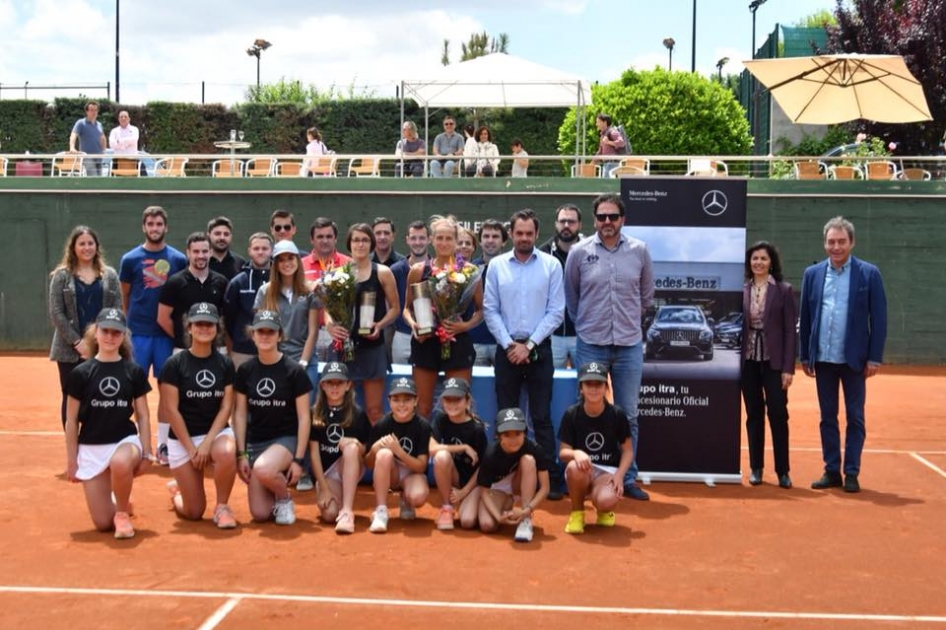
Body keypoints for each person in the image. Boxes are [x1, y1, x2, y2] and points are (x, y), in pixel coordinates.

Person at [564, 192, 654, 501]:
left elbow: (645, 296)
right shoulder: (579, 252)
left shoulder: (640, 251)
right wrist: (588, 324)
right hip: (591, 344)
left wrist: (627, 322)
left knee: (627, 414)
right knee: (588, 411)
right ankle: (587, 476)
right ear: (594, 220)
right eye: (601, 217)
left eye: (612, 217)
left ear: (622, 220)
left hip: (628, 345)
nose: (607, 222)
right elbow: (572, 298)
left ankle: (627, 478)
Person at [800, 216, 887, 493]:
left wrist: (874, 357)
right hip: (823, 359)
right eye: (831, 242)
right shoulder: (812, 275)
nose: (836, 247)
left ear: (852, 243)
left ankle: (851, 472)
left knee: (855, 417)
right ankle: (831, 471)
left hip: (854, 360)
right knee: (827, 417)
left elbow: (880, 318)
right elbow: (805, 315)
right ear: (824, 243)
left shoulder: (869, 274)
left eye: (841, 241)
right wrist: (805, 355)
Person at [484, 209, 566, 499]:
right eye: (519, 233)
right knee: (506, 416)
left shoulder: (551, 266)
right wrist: (509, 345)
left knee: (541, 417)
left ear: (536, 234)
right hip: (506, 350)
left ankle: (550, 480)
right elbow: (489, 310)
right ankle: (504, 477)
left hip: (539, 348)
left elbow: (556, 312)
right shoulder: (495, 266)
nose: (524, 238)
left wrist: (528, 345)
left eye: (529, 233)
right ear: (512, 233)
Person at [64, 308, 153, 539]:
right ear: (96, 333)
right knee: (103, 523)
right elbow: (71, 420)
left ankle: (121, 513)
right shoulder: (80, 373)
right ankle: (119, 502)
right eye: (106, 331)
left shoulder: (133, 371)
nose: (110, 337)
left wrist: (147, 452)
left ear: (124, 336)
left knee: (120, 462)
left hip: (125, 441)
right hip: (92, 447)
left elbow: (143, 415)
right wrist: (72, 460)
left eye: (116, 332)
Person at [159, 303, 238, 528]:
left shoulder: (225, 364)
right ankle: (178, 493)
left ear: (216, 328)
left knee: (227, 452)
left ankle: (222, 506)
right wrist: (192, 449)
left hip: (214, 434)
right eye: (199, 324)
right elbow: (171, 411)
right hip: (182, 440)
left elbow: (226, 408)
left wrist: (205, 445)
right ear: (189, 327)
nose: (204, 328)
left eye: (209, 324)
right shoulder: (174, 364)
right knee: (194, 512)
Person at [119, 206, 187, 465]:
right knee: (134, 389)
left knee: (167, 390)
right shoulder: (130, 259)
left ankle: (163, 445)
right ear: (144, 227)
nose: (155, 228)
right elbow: (125, 295)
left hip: (166, 336)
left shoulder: (179, 259)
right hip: (138, 335)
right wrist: (130, 326)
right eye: (151, 224)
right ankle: (137, 441)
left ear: (166, 227)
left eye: (159, 224)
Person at [233, 309, 312, 525]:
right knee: (260, 514)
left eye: (271, 331)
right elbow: (239, 415)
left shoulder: (294, 371)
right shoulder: (245, 370)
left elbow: (305, 418)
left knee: (263, 468)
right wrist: (241, 454)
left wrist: (298, 460)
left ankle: (285, 498)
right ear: (253, 335)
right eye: (261, 331)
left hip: (285, 440)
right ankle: (274, 491)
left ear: (279, 335)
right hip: (256, 442)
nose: (265, 336)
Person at [403, 215, 483, 419]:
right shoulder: (418, 270)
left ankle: (457, 451)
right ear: (431, 240)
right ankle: (423, 451)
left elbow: (481, 311)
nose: (444, 243)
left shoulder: (470, 272)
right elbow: (406, 309)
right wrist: (414, 326)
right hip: (425, 343)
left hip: (457, 343)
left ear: (457, 241)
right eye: (439, 238)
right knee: (422, 408)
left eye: (449, 238)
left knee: (459, 407)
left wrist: (463, 326)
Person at [324, 223, 400, 423]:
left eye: (365, 240)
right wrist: (330, 325)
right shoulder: (337, 273)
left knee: (374, 411)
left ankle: (373, 454)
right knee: (342, 409)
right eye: (356, 240)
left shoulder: (383, 272)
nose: (360, 244)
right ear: (349, 244)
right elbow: (327, 309)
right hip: (343, 349)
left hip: (373, 349)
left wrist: (380, 325)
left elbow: (395, 309)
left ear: (372, 244)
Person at [48, 226, 122, 427]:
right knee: (71, 396)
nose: (86, 247)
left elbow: (117, 309)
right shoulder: (61, 276)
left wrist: (100, 342)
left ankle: (95, 442)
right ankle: (73, 446)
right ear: (73, 248)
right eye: (82, 243)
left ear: (97, 247)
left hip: (103, 347)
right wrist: (77, 342)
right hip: (69, 350)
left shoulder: (110, 275)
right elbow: (56, 312)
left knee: (99, 396)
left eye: (90, 243)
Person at [742, 241, 797, 489]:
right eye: (755, 259)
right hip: (749, 362)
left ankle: (783, 471)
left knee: (777, 413)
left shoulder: (784, 290)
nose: (759, 263)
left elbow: (789, 332)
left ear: (771, 262)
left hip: (774, 363)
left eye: (763, 258)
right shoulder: (741, 289)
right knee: (754, 415)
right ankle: (756, 468)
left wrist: (788, 368)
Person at [559, 362, 632, 534]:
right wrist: (576, 453)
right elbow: (563, 452)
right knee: (573, 467)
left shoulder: (617, 414)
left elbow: (628, 450)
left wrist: (620, 476)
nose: (593, 389)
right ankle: (577, 513)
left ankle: (604, 511)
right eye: (588, 384)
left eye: (598, 384)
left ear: (606, 387)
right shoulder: (571, 414)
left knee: (606, 500)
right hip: (583, 470)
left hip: (607, 472)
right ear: (581, 388)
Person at [308, 362, 371, 534]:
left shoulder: (358, 414)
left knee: (350, 448)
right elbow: (314, 454)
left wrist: (355, 444)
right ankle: (336, 498)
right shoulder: (314, 413)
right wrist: (324, 489)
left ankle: (347, 512)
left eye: (339, 383)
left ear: (348, 385)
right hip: (328, 473)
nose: (334, 387)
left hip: (349, 464)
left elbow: (366, 452)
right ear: (322, 385)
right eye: (330, 383)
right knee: (329, 515)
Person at [365, 377, 431, 533]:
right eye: (396, 399)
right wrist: (375, 449)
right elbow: (368, 464)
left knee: (418, 496)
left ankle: (406, 500)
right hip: (392, 473)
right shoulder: (382, 425)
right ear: (389, 401)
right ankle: (381, 511)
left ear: (416, 401)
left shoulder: (423, 426)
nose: (402, 405)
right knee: (384, 454)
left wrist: (399, 451)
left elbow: (421, 467)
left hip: (413, 474)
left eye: (407, 399)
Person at [476, 407, 551, 543]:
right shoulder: (490, 453)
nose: (513, 439)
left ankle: (525, 521)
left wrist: (526, 511)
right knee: (487, 525)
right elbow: (484, 491)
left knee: (528, 460)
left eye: (517, 433)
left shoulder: (535, 449)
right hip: (497, 488)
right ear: (499, 436)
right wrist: (498, 517)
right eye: (507, 435)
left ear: (524, 433)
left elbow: (545, 488)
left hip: (519, 483)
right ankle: (507, 502)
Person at [428, 377, 488, 531]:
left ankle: (476, 502)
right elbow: (431, 449)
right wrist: (462, 447)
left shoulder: (477, 429)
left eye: (457, 399)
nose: (452, 404)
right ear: (442, 402)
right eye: (448, 399)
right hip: (455, 477)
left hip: (473, 484)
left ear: (467, 402)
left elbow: (484, 467)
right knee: (441, 456)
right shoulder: (440, 419)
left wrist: (464, 492)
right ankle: (447, 507)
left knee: (467, 521)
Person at [157, 232, 229, 353]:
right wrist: (182, 337)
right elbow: (162, 318)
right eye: (196, 251)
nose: (201, 255)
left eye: (205, 251)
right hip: (183, 349)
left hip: (217, 349)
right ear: (188, 253)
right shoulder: (174, 282)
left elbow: (227, 317)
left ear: (211, 252)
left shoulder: (222, 282)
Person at [302, 217, 353, 362]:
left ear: (335, 239)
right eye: (320, 237)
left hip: (340, 333)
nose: (325, 240)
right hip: (308, 333)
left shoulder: (349, 264)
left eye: (329, 236)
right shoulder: (299, 266)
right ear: (312, 240)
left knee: (338, 378)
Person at [540, 204, 584, 368]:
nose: (566, 225)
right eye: (562, 221)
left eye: (571, 222)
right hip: (553, 336)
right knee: (552, 384)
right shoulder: (543, 254)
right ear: (556, 224)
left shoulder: (590, 251)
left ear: (580, 225)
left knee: (586, 383)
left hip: (583, 335)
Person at [223, 232, 272, 369]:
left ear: (271, 251)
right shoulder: (238, 282)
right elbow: (229, 317)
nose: (260, 252)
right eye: (256, 249)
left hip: (276, 350)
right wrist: (240, 339)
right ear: (249, 251)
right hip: (243, 351)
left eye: (264, 248)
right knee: (241, 389)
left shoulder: (281, 279)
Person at [468, 219, 509, 365]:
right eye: (486, 236)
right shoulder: (469, 270)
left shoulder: (513, 269)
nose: (490, 240)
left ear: (504, 241)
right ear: (479, 241)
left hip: (504, 343)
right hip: (475, 342)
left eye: (495, 236)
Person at [390, 220, 430, 365]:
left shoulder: (439, 270)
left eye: (422, 238)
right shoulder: (395, 270)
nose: (417, 242)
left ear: (429, 239)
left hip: (432, 337)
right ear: (407, 240)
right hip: (402, 336)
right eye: (413, 238)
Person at [68, 101, 106, 176]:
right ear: (87, 111)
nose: (94, 112)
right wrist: (72, 147)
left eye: (96, 110)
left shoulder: (99, 124)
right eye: (91, 110)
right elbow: (73, 134)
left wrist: (104, 149)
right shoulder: (81, 123)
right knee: (93, 176)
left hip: (99, 156)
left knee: (100, 179)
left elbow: (102, 138)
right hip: (86, 156)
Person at [207, 216, 247, 281]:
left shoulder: (240, 263)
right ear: (208, 235)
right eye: (217, 234)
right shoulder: (201, 261)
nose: (222, 238)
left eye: (226, 234)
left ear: (231, 236)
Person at [592, 113, 626, 178]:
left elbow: (622, 142)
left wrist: (608, 142)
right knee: (606, 186)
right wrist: (592, 163)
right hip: (606, 164)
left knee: (606, 186)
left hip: (612, 163)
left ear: (604, 122)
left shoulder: (612, 131)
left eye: (598, 122)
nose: (596, 124)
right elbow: (600, 151)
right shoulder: (603, 134)